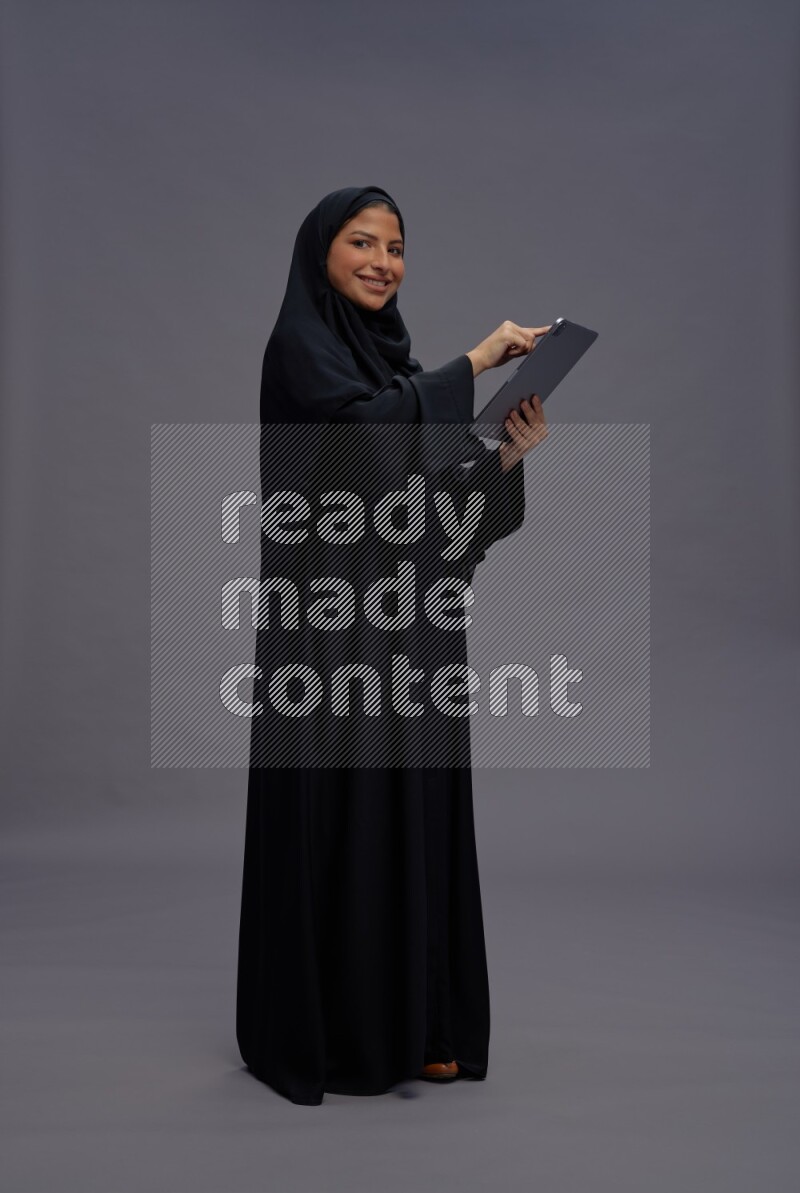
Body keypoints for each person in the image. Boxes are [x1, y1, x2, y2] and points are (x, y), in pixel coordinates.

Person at [236, 184, 550, 1105]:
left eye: (397, 247)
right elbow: (362, 449)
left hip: (411, 627)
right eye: (363, 243)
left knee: (411, 813)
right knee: (347, 816)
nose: (384, 262)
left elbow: (438, 520)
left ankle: (421, 1025)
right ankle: (342, 1035)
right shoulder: (299, 351)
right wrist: (475, 363)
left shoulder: (396, 370)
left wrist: (503, 456)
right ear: (321, 254)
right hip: (329, 636)